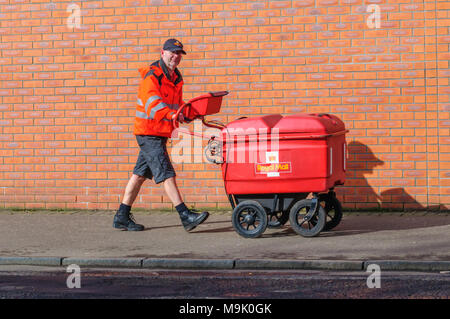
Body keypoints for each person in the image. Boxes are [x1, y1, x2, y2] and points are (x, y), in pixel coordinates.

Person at [113, 39, 209, 231]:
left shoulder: (176, 78)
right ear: (163, 52)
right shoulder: (153, 76)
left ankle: (121, 216)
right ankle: (185, 215)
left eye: (179, 53)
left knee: (139, 175)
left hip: (159, 131)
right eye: (173, 52)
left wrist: (188, 114)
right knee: (166, 173)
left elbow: (176, 106)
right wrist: (172, 115)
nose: (176, 56)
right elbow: (153, 104)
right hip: (148, 132)